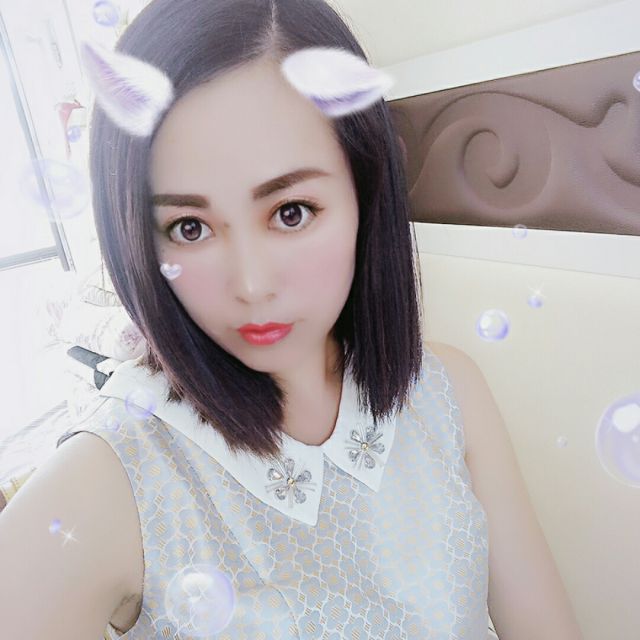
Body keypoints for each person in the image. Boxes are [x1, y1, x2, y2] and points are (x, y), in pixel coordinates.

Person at [0, 1, 583, 638]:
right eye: (189, 227)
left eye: (291, 212)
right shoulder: (113, 479)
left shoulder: (446, 391)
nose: (252, 285)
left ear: (365, 192)